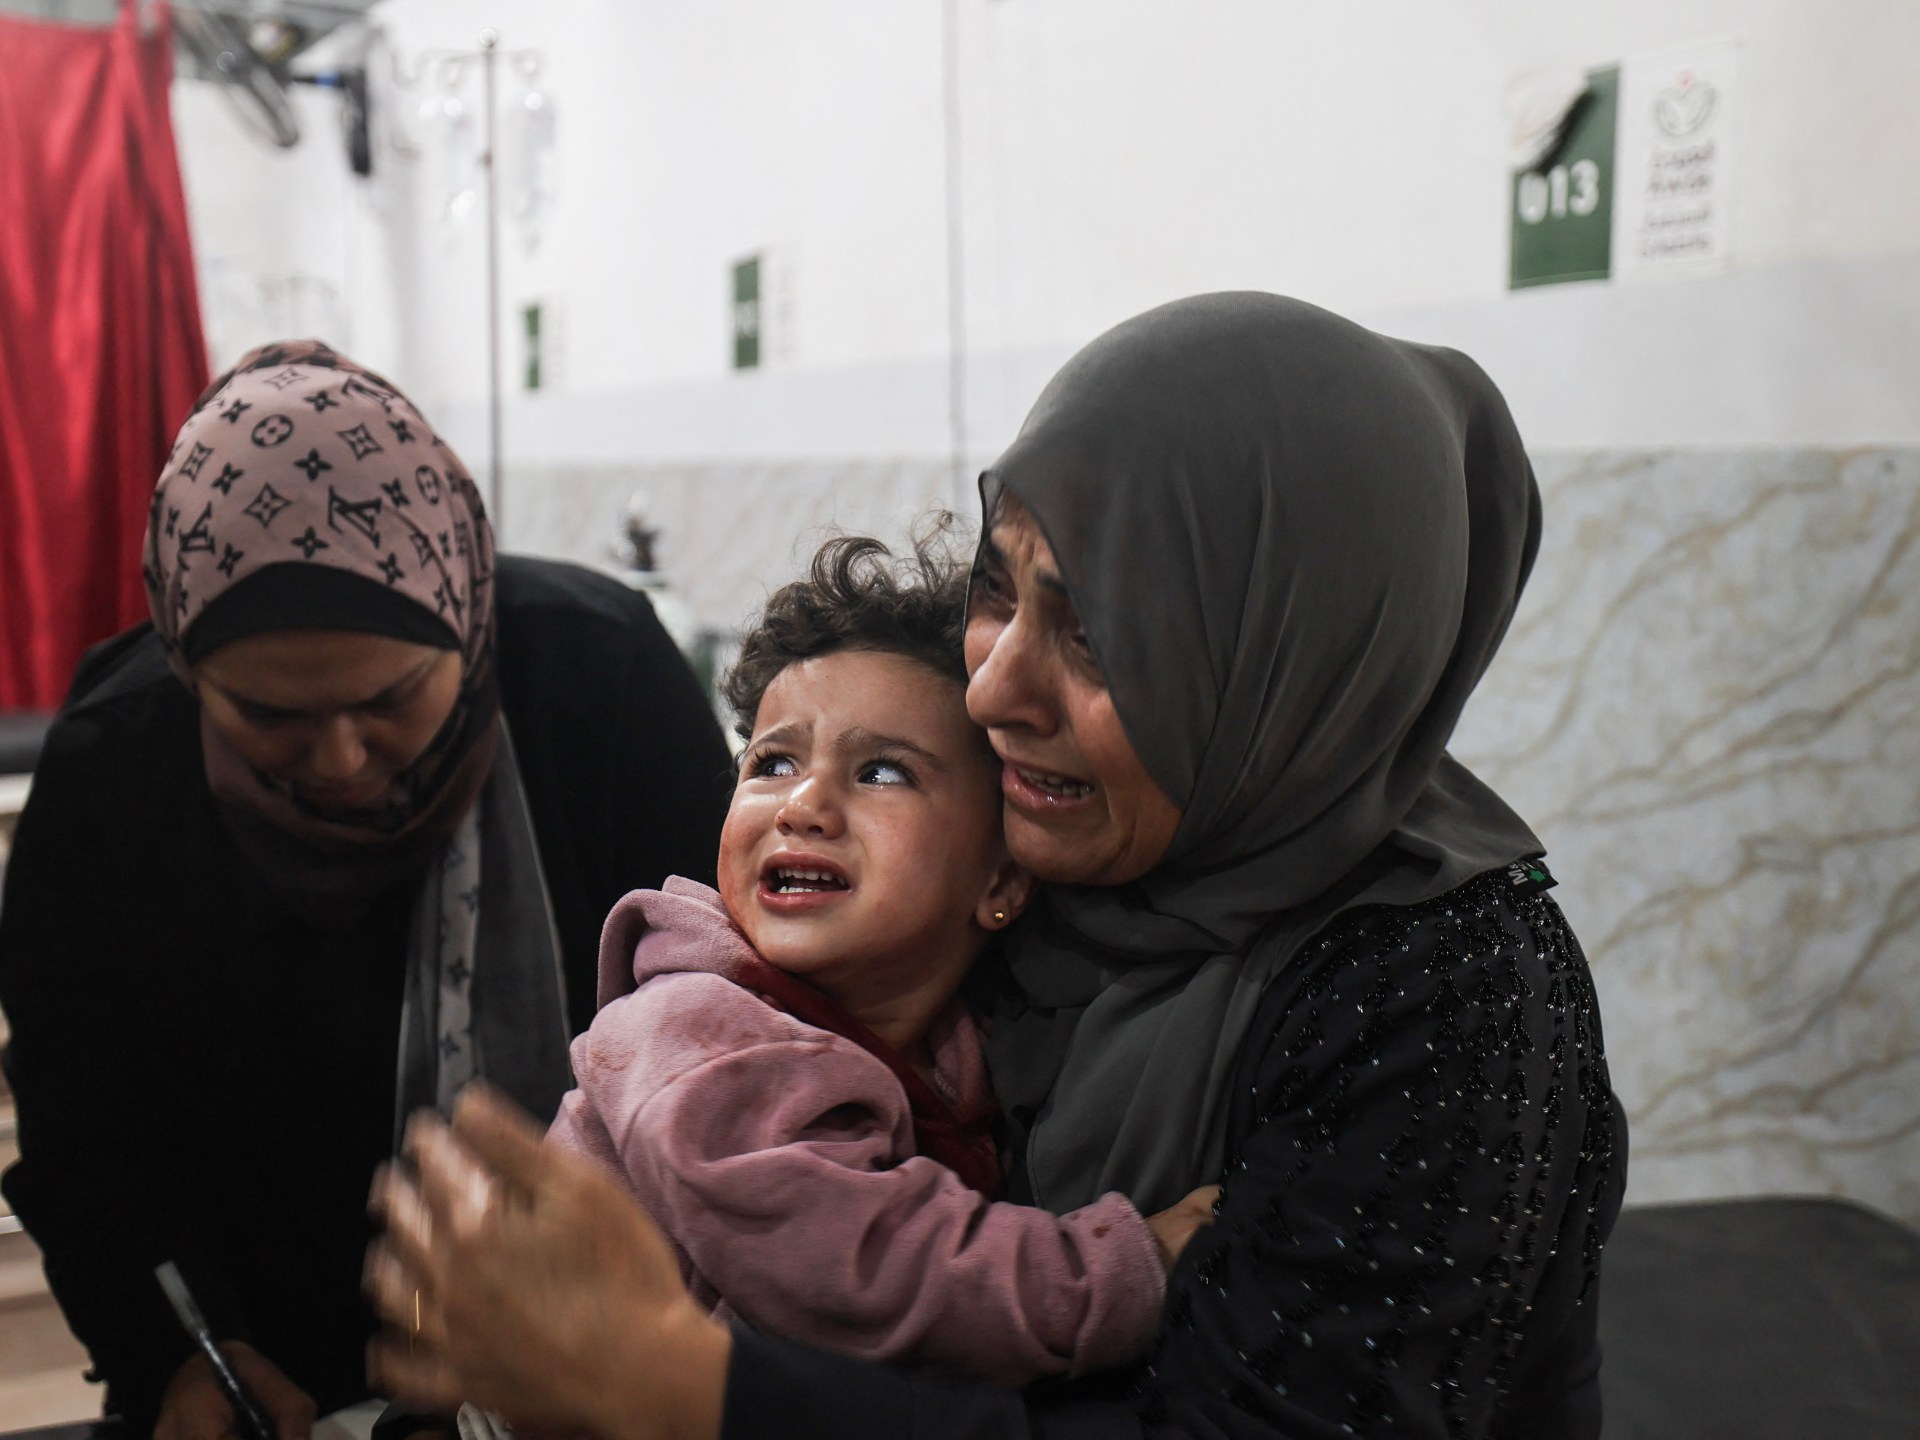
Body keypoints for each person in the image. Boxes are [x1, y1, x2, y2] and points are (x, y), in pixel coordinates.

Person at [365, 293, 1628, 1440]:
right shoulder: (1050, 864)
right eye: (997, 591)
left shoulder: (1445, 995)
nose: (992, 688)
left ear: (1286, 660)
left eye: (1098, 636)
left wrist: (690, 1390)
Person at [0, 340, 735, 1439]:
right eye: (270, 717)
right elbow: (85, 1124)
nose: (343, 759)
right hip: (266, 1379)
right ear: (189, 668)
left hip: (603, 1362)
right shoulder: (119, 762)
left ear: (466, 618)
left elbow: (730, 1025)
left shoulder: (598, 679)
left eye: (390, 699)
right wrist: (178, 1357)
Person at [537, 535, 1218, 1394]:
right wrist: (1128, 1266)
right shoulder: (697, 1033)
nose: (804, 805)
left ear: (1002, 881)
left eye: (883, 772)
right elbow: (862, 1276)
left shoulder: (974, 1046)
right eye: (772, 762)